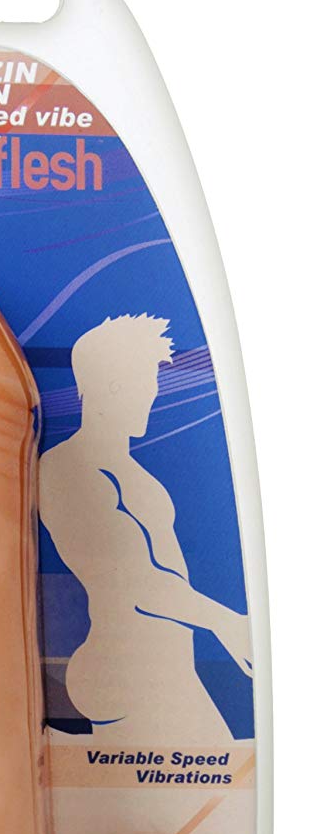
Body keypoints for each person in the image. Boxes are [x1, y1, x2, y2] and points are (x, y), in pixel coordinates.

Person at [40, 315, 251, 743]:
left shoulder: (136, 476)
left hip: (167, 674)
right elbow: (129, 581)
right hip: (126, 677)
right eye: (147, 381)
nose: (153, 394)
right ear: (114, 385)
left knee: (221, 774)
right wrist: (224, 621)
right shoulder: (68, 468)